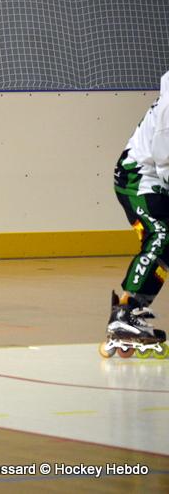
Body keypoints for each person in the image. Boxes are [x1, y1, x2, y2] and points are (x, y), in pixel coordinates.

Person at [106, 70, 169, 357]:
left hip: (158, 176)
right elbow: (163, 156)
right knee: (162, 235)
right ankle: (126, 314)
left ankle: (132, 309)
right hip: (139, 177)